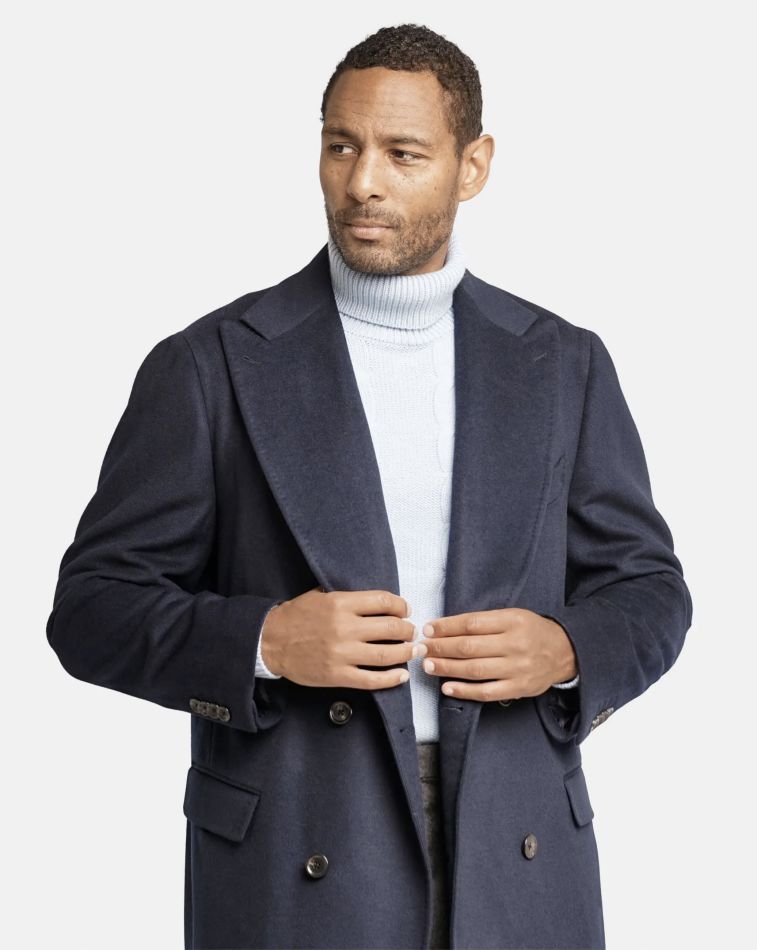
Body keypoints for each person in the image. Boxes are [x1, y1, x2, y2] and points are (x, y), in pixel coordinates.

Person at [46, 22, 693, 950]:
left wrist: (564, 648)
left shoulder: (562, 365)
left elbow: (651, 591)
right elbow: (91, 609)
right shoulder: (208, 365)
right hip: (298, 843)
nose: (361, 183)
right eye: (340, 146)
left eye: (403, 153)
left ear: (473, 166)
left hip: (517, 848)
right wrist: (264, 641)